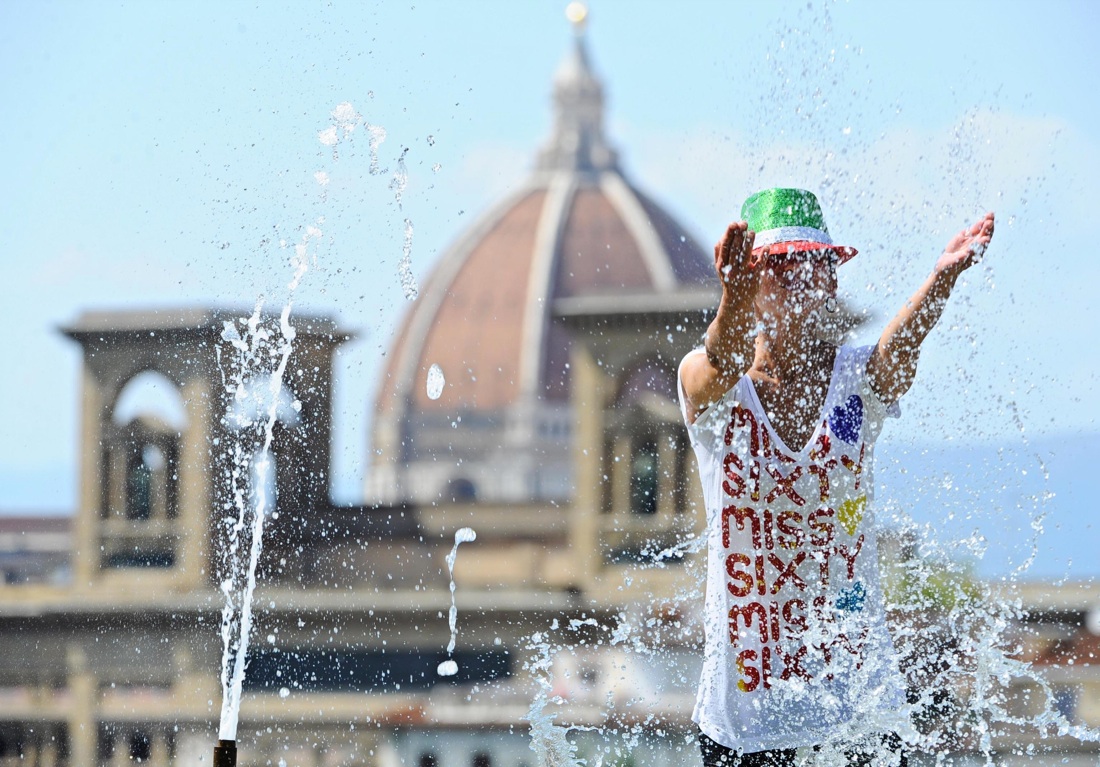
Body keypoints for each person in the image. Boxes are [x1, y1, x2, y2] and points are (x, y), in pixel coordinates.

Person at [677, 188, 995, 766]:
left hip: (859, 718)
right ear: (751, 278)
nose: (799, 277)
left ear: (831, 280)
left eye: (813, 263)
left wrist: (942, 279)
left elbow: (900, 347)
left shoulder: (857, 387)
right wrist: (733, 300)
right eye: (779, 265)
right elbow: (718, 362)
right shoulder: (719, 393)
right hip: (742, 726)